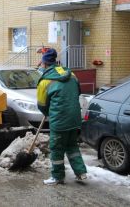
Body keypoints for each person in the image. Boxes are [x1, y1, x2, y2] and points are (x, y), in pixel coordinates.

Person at [37, 48, 87, 185]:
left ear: (45, 64)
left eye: (41, 63)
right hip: (75, 118)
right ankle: (81, 172)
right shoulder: (72, 75)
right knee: (72, 145)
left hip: (59, 120)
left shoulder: (45, 81)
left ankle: (57, 177)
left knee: (57, 148)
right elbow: (77, 92)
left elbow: (41, 104)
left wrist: (48, 113)